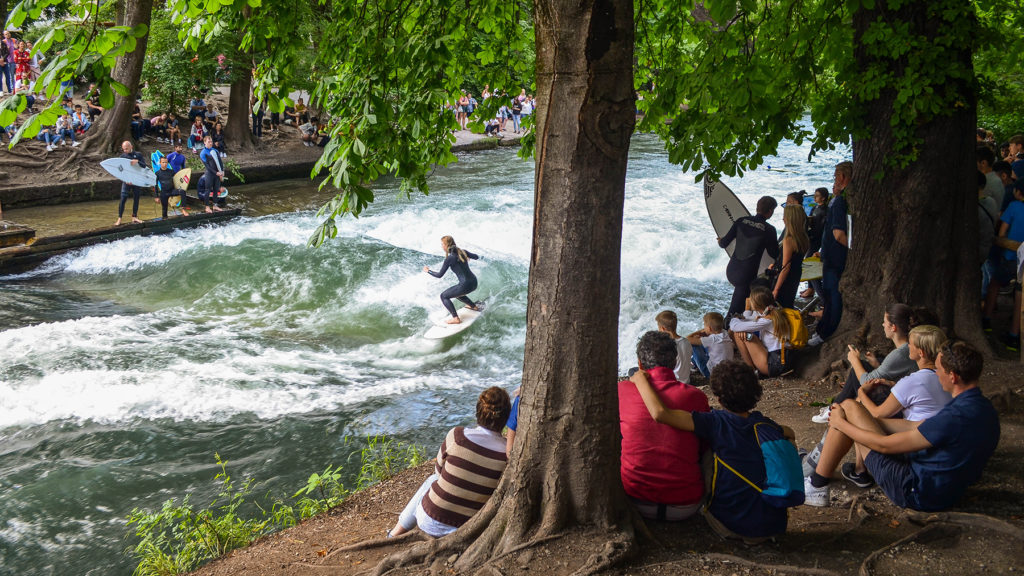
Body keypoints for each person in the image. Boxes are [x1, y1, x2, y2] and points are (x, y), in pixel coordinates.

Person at [806, 340, 999, 511]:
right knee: (852, 410)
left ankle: (816, 485)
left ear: (953, 377)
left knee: (848, 407)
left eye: (938, 369)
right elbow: (916, 426)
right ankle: (818, 473)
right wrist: (865, 420)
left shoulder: (953, 417)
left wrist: (842, 423)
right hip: (949, 489)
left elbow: (883, 445)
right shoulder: (984, 409)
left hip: (914, 490)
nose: (936, 373)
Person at [629, 360, 796, 542]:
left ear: (718, 398)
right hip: (774, 526)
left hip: (730, 526)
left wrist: (640, 380)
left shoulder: (714, 423)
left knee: (704, 448)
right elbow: (789, 432)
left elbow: (661, 414)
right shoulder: (766, 426)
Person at [804, 325, 950, 503]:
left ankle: (817, 483)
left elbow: (877, 414)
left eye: (909, 345)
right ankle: (856, 471)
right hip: (926, 450)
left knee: (850, 408)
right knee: (856, 409)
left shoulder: (914, 380)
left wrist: (861, 393)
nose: (906, 348)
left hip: (910, 457)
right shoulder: (946, 379)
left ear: (920, 352)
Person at [388, 387, 510, 538]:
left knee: (433, 480)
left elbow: (438, 472)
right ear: (506, 418)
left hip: (430, 520)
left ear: (478, 412)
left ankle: (394, 534)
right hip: (469, 529)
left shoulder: (457, 436)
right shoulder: (508, 453)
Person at [618, 331, 710, 521]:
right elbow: (704, 447)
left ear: (640, 363)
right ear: (676, 362)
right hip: (686, 504)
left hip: (634, 500)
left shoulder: (622, 391)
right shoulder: (696, 397)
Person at [809, 161, 852, 346]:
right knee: (829, 295)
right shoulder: (838, 201)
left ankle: (824, 332)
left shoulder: (838, 202)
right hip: (830, 256)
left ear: (842, 177)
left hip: (834, 260)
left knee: (832, 297)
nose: (834, 180)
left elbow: (838, 233)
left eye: (836, 176)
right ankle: (822, 329)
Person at [719, 196, 780, 316]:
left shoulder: (741, 220)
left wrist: (719, 241)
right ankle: (728, 328)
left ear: (757, 207)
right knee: (735, 310)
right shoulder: (769, 230)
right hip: (747, 274)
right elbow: (774, 254)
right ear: (770, 212)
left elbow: (723, 243)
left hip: (731, 270)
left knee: (742, 302)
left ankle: (740, 324)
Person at [729, 287, 792, 377]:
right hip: (781, 359)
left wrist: (734, 318)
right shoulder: (774, 312)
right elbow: (748, 320)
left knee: (739, 334)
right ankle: (752, 371)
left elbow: (734, 326)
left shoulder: (767, 320)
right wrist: (746, 312)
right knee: (744, 332)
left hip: (775, 365)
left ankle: (752, 373)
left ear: (756, 304)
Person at [424, 235, 481, 324]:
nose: (442, 246)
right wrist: (468, 256)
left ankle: (455, 318)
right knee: (456, 292)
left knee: (444, 296)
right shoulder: (463, 252)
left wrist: (428, 271)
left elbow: (439, 275)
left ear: (446, 245)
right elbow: (477, 257)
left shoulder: (450, 258)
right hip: (474, 283)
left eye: (442, 244)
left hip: (465, 286)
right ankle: (473, 306)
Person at [772, 204, 809, 308]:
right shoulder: (803, 238)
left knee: (778, 307)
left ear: (790, 219)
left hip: (785, 279)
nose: (783, 218)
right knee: (788, 304)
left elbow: (786, 267)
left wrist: (776, 289)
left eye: (785, 216)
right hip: (795, 275)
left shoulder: (789, 239)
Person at [687, 311, 734, 379]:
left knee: (694, 345)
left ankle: (694, 365)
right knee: (702, 342)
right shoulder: (725, 332)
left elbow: (687, 339)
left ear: (709, 328)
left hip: (712, 374)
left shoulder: (712, 339)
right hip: (726, 370)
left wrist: (699, 332)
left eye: (704, 325)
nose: (703, 327)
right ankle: (694, 363)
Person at [654, 310, 693, 383]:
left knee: (633, 371)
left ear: (663, 328)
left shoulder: (666, 346)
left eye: (658, 327)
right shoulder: (686, 342)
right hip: (686, 380)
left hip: (673, 382)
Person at [115, 140, 148, 225]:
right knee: (123, 199)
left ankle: (134, 217)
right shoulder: (122, 156)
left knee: (136, 198)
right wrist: (125, 179)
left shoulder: (138, 155)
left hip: (136, 180)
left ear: (131, 147)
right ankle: (119, 218)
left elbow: (144, 166)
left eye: (126, 148)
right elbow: (119, 170)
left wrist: (137, 161)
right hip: (127, 181)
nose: (125, 150)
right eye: (123, 149)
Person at [199, 135, 225, 214]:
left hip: (218, 174)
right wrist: (215, 172)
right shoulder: (203, 153)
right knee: (208, 190)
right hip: (210, 174)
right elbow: (207, 166)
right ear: (204, 143)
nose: (210, 143)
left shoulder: (215, 151)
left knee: (216, 189)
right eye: (208, 142)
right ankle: (207, 207)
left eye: (211, 142)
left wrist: (222, 171)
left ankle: (215, 205)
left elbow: (220, 162)